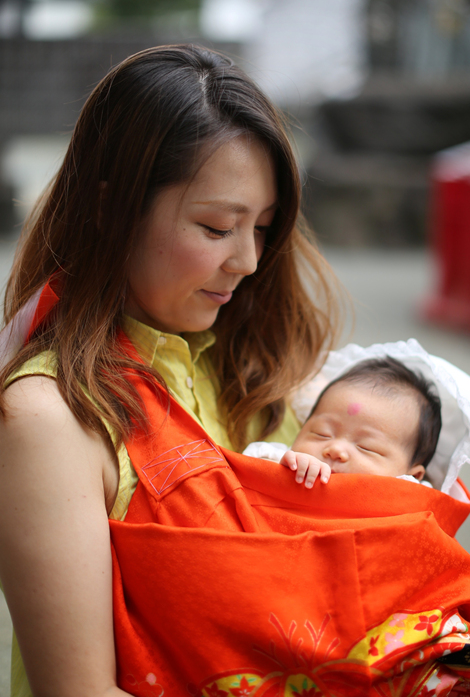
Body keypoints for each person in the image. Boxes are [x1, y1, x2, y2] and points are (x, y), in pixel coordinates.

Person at [0, 44, 340, 697]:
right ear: (110, 208)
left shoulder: (257, 371)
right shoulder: (51, 415)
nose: (247, 261)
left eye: (263, 228)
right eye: (215, 227)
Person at [243, 355, 442, 488]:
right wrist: (283, 470)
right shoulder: (281, 459)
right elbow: (247, 468)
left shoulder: (409, 494)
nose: (336, 449)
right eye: (322, 434)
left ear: (412, 476)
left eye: (367, 447)